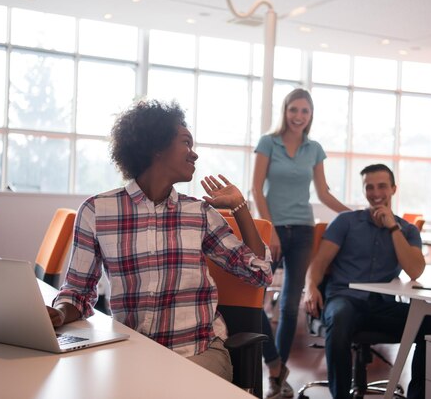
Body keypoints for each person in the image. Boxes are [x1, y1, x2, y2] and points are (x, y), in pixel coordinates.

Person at [48, 100, 273, 381]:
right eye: (186, 143)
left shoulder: (199, 213)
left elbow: (259, 274)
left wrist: (240, 209)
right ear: (156, 146)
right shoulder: (97, 211)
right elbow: (78, 293)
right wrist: (57, 314)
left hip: (199, 352)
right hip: (132, 354)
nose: (194, 155)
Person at [303, 164, 431, 399]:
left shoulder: (407, 230)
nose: (375, 192)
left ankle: (417, 395)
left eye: (382, 186)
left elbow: (415, 271)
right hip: (344, 299)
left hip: (381, 305)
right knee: (339, 317)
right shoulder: (345, 222)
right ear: (364, 190)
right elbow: (318, 263)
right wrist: (310, 287)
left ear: (393, 189)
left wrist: (392, 227)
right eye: (369, 187)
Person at [252, 88, 350, 398]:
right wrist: (271, 231)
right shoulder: (268, 143)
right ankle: (274, 362)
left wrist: (356, 215)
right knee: (255, 300)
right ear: (285, 111)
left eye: (304, 111)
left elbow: (323, 194)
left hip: (304, 231)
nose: (298, 116)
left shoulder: (314, 149)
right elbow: (256, 190)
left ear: (310, 115)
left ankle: (278, 378)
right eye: (294, 110)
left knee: (290, 306)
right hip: (273, 230)